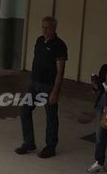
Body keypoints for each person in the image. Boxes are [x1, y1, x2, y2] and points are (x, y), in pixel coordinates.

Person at [16, 16, 67, 159]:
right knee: (24, 110)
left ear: (54, 28)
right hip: (34, 83)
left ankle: (50, 147)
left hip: (49, 86)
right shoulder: (39, 41)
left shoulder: (60, 45)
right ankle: (29, 142)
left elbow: (60, 71)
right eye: (43, 27)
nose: (44, 30)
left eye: (47, 27)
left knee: (51, 117)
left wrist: (55, 92)